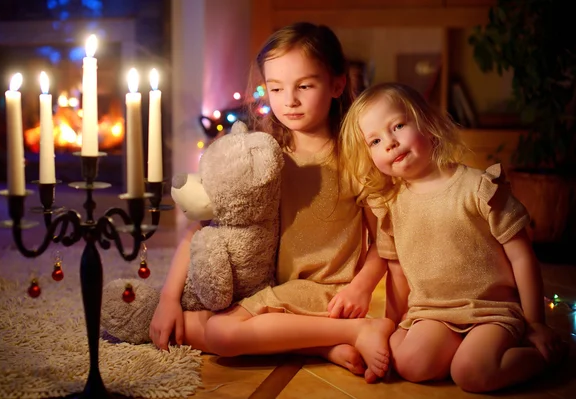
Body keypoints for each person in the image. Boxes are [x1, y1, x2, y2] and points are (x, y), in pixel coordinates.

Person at [149, 22, 400, 382]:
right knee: (183, 324)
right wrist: (167, 298)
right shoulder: (262, 156)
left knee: (219, 334)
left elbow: (383, 243)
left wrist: (360, 286)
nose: (290, 100)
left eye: (305, 86)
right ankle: (320, 345)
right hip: (267, 288)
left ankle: (354, 331)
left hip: (324, 293)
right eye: (277, 88)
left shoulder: (354, 156)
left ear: (337, 85)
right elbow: (206, 227)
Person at [338, 82, 567, 392]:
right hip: (433, 312)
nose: (390, 143)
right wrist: (393, 323)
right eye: (375, 140)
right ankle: (454, 349)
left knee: (472, 372)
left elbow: (522, 256)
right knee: (410, 364)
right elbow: (397, 272)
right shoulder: (392, 206)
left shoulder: (479, 188)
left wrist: (536, 323)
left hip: (491, 310)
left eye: (398, 126)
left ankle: (545, 356)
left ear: (428, 124)